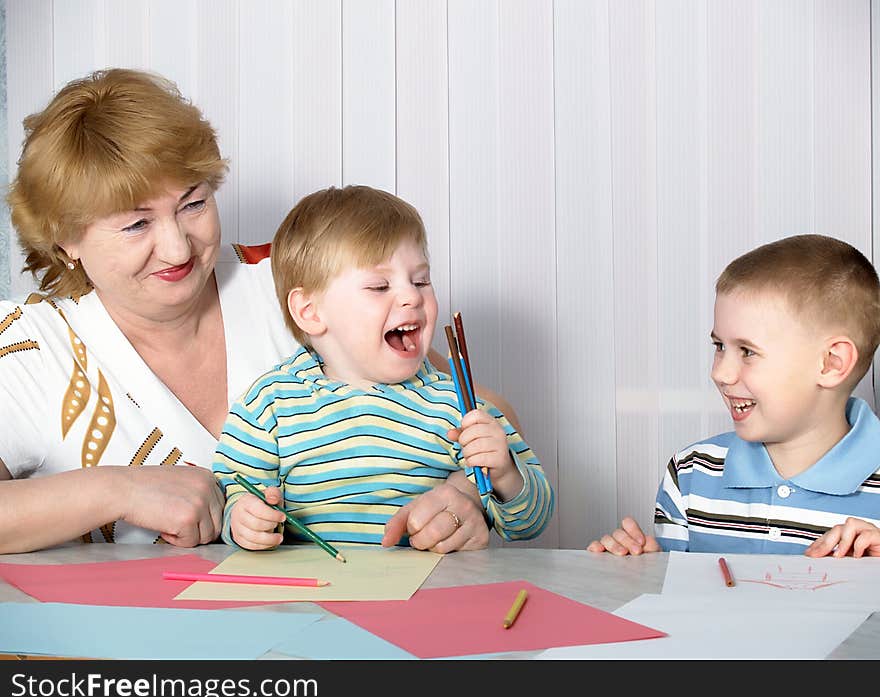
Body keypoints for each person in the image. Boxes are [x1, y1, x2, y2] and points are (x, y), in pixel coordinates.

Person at [0, 68, 520, 554]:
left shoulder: (289, 283)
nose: (179, 248)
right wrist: (116, 489)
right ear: (65, 238)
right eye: (137, 225)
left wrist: (464, 494)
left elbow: (480, 405)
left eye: (194, 204)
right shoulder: (29, 344)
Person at [213, 185, 554, 552]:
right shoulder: (272, 403)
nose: (411, 296)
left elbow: (529, 524)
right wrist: (244, 520)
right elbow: (232, 493)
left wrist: (505, 474)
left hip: (427, 596)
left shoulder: (458, 405)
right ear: (310, 311)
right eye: (379, 286)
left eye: (421, 280)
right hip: (311, 598)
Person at [588, 234, 880, 557]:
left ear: (831, 363)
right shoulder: (691, 474)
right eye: (719, 346)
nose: (720, 373)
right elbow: (675, 598)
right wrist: (643, 568)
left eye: (747, 351)